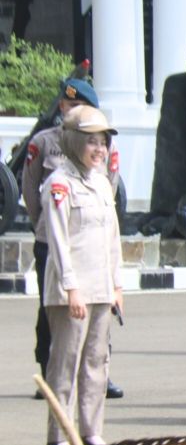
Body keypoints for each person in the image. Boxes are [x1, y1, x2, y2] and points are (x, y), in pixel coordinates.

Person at [22, 78, 124, 401]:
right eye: (69, 105)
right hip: (51, 237)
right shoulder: (44, 142)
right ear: (62, 107)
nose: (73, 110)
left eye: (81, 106)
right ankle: (50, 368)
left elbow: (110, 183)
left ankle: (98, 376)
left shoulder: (103, 143)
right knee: (53, 306)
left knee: (97, 308)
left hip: (92, 237)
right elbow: (29, 188)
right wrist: (44, 222)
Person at [41, 106, 123, 445]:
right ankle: (59, 435)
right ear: (74, 142)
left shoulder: (101, 181)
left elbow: (113, 238)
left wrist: (117, 285)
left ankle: (91, 431)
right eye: (91, 142)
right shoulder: (59, 183)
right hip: (70, 291)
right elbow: (58, 243)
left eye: (102, 142)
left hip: (102, 288)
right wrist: (71, 287)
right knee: (65, 362)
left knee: (96, 362)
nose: (99, 149)